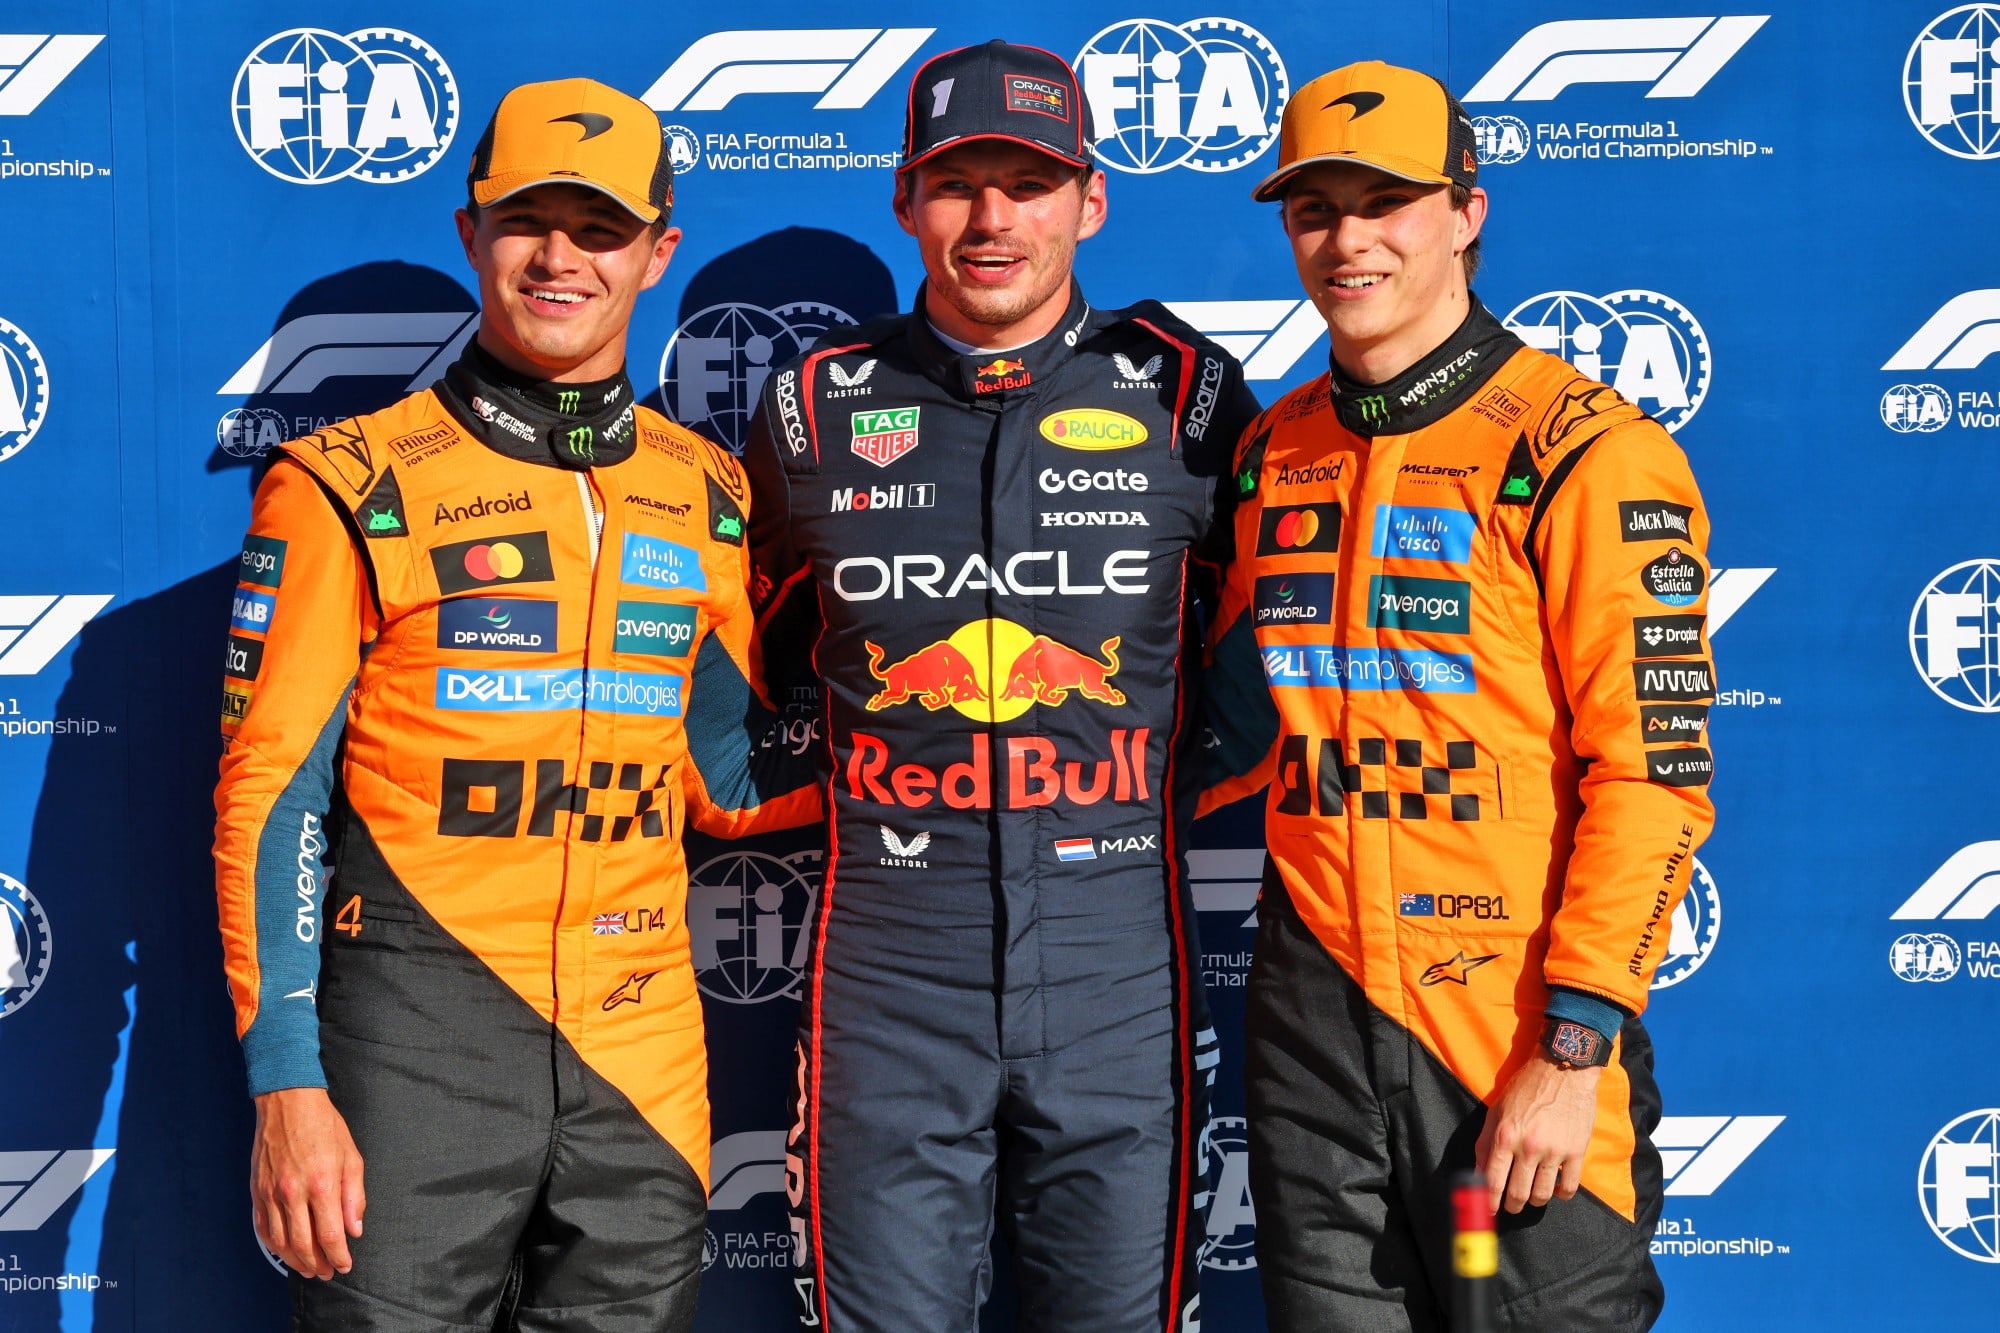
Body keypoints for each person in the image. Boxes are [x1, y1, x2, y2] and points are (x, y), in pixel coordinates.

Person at [212, 77, 812, 1331]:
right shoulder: (343, 481)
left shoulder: (700, 487)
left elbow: (731, 778)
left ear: (658, 252)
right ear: (469, 233)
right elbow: (272, 795)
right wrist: (285, 1087)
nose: (559, 259)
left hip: (643, 1051)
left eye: (597, 229)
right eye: (524, 219)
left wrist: (935, 730)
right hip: (415, 1042)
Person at [740, 38, 1260, 1333]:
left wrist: (1125, 789)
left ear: (1089, 200)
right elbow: (721, 664)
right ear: (906, 201)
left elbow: (1259, 665)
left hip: (1117, 962)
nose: (990, 220)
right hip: (889, 961)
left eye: (1024, 183)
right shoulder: (812, 405)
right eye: (955, 181)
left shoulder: (1188, 394)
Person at [1201, 59, 1717, 1331]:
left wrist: (1572, 1048)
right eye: (1314, 208)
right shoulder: (1280, 448)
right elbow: (1222, 720)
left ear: (1464, 212)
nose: (1346, 240)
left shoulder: (1582, 448)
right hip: (1312, 1021)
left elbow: (1651, 780)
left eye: (1386, 202)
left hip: (1507, 1027)